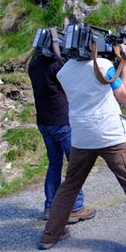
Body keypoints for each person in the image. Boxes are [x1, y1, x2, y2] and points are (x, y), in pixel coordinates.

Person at [38, 44, 126, 252]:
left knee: (70, 185)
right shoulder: (104, 66)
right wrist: (125, 64)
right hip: (111, 135)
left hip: (81, 136)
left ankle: (50, 235)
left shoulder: (62, 72)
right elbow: (123, 95)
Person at [28, 35, 96, 224]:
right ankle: (76, 207)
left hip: (44, 123)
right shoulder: (57, 67)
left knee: (54, 164)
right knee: (74, 165)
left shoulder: (33, 65)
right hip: (62, 122)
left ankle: (50, 207)